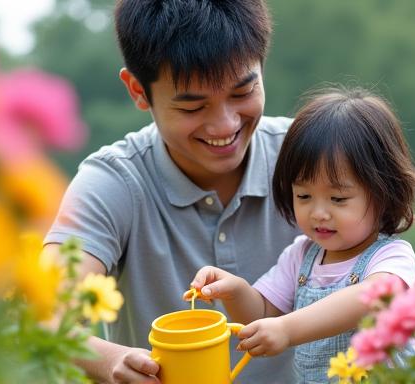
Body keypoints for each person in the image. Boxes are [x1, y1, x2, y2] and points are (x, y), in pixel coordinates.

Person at [42, 0, 301, 382]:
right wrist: (110, 361)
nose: (224, 124)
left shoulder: (310, 156)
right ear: (137, 90)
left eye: (242, 92)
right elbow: (44, 318)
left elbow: (387, 277)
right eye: (193, 107)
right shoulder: (114, 182)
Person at [186, 87, 415, 383]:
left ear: (383, 194)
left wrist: (288, 330)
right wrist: (234, 290)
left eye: (338, 199)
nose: (318, 212)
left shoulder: (391, 256)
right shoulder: (300, 256)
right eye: (304, 195)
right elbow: (261, 315)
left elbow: (370, 299)